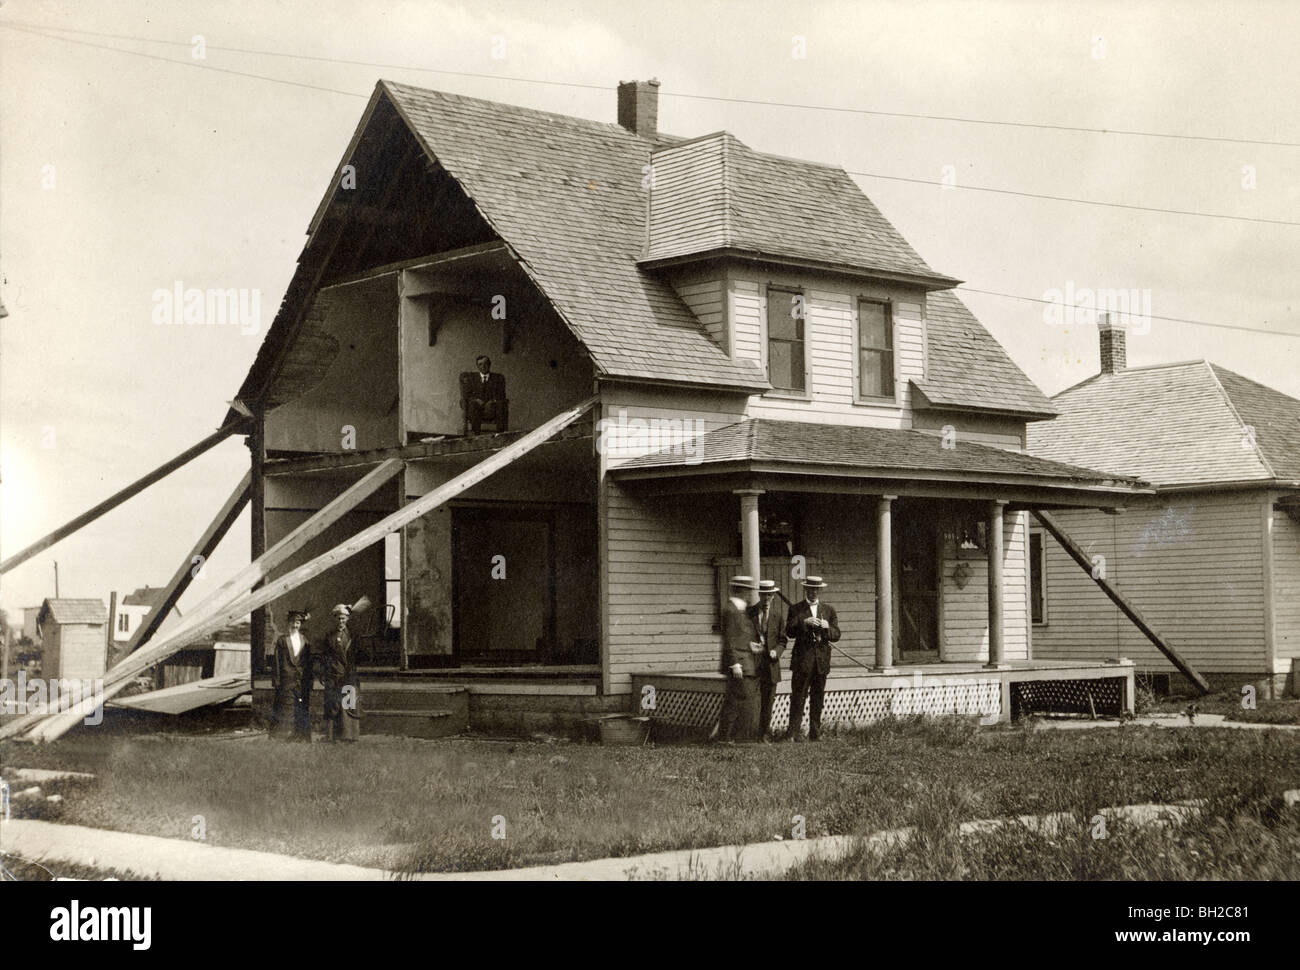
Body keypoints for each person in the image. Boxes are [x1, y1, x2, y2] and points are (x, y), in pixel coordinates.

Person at [784, 576, 840, 741]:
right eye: (810, 589)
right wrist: (804, 622)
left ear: (819, 590)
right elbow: (789, 631)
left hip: (821, 662)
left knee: (818, 698)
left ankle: (815, 734)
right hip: (802, 661)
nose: (813, 592)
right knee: (798, 697)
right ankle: (792, 734)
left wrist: (827, 627)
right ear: (805, 590)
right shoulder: (796, 609)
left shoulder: (828, 610)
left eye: (816, 589)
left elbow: (837, 634)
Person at [717, 575, 763, 742]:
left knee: (736, 701)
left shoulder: (741, 611)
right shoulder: (731, 610)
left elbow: (739, 637)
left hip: (745, 661)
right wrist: (734, 663)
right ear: (742, 591)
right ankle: (731, 737)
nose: (750, 594)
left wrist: (752, 646)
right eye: (748, 590)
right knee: (739, 701)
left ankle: (730, 737)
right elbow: (728, 639)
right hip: (739, 664)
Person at [748, 579, 788, 742]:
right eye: (763, 595)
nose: (766, 599)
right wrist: (750, 645)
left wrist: (776, 652)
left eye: (769, 595)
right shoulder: (749, 613)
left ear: (773, 596)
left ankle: (764, 735)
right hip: (752, 664)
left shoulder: (778, 616)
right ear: (759, 594)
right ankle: (747, 733)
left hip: (770, 665)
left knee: (767, 702)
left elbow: (783, 640)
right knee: (750, 699)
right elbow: (741, 636)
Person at [317, 604, 361, 742]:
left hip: (349, 675)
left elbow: (360, 654)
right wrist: (324, 672)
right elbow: (324, 656)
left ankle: (349, 736)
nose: (341, 622)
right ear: (335, 619)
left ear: (347, 619)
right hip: (333, 674)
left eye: (343, 619)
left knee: (348, 704)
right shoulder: (329, 636)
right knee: (333, 704)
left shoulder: (353, 635)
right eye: (338, 619)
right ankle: (332, 736)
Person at [270, 609, 313, 741]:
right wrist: (276, 679)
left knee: (301, 707)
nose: (295, 625)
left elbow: (308, 663)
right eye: (293, 622)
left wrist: (309, 681)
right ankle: (283, 736)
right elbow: (277, 661)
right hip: (286, 680)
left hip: (301, 681)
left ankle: (301, 736)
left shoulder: (305, 640)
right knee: (285, 707)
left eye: (298, 623)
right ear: (289, 623)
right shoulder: (282, 640)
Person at [465, 354, 508, 434]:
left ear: (489, 365)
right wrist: (476, 400)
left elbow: (501, 394)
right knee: (473, 405)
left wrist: (492, 401)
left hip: (492, 408)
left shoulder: (497, 378)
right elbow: (467, 395)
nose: (483, 366)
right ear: (477, 366)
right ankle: (476, 434)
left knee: (501, 404)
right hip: (477, 407)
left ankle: (500, 434)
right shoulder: (472, 379)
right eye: (480, 364)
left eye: (485, 364)